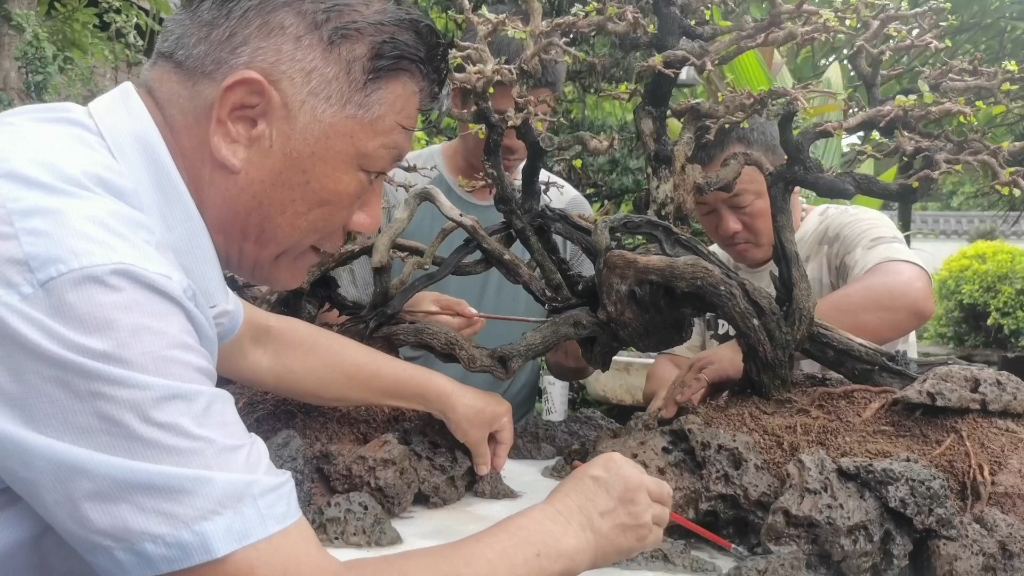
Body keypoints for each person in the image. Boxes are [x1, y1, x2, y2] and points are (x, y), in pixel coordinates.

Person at [0, 1, 671, 575]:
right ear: (243, 119)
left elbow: (250, 336)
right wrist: (571, 532)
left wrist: (443, 393)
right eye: (371, 170)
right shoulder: (89, 273)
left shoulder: (83, 167)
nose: (372, 220)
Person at [328, 4, 595, 426]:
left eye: (535, 119)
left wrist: (592, 340)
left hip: (510, 446)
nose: (517, 142)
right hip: (385, 437)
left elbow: (570, 363)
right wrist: (398, 313)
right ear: (461, 99)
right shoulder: (391, 190)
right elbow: (327, 325)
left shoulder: (566, 211)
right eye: (502, 120)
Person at [645, 118, 936, 418]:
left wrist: (751, 348)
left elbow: (909, 294)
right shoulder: (706, 267)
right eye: (705, 211)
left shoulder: (843, 232)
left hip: (865, 438)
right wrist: (679, 397)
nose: (727, 227)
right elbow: (670, 365)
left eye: (740, 204)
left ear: (789, 182)